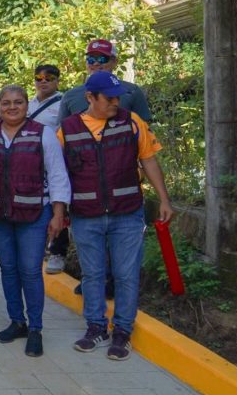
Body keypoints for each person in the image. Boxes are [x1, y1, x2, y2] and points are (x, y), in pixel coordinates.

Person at [61, 72, 173, 361]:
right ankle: (96, 327)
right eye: (108, 98)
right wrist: (58, 213)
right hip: (86, 215)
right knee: (93, 275)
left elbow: (148, 159)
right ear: (90, 98)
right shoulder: (67, 130)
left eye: (117, 97)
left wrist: (163, 199)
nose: (115, 102)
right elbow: (59, 175)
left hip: (127, 213)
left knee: (126, 275)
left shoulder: (132, 122)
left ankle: (122, 331)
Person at [0, 85, 70, 357]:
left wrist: (58, 213)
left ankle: (36, 329)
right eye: (6, 103)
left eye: (17, 102)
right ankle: (16, 321)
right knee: (8, 269)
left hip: (34, 213)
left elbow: (57, 174)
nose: (12, 107)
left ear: (26, 105)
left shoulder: (43, 133)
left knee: (30, 270)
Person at [27, 65, 68, 275]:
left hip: (54, 162)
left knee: (57, 206)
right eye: (39, 77)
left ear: (57, 81)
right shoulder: (28, 103)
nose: (43, 81)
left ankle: (57, 252)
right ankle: (43, 245)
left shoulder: (64, 103)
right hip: (29, 164)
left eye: (49, 78)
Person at [57, 40, 153, 125]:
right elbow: (61, 132)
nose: (96, 63)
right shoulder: (70, 95)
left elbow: (145, 128)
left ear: (115, 62)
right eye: (91, 59)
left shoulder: (132, 91)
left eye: (102, 59)